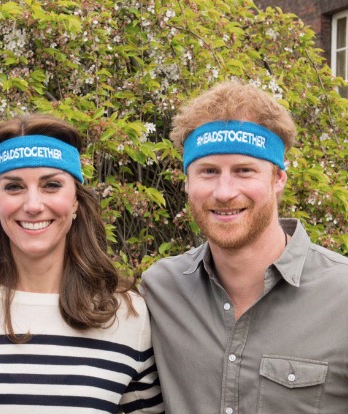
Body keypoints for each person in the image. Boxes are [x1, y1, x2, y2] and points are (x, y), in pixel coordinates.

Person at [0, 113, 164, 413]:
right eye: (14, 187)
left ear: (75, 200)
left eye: (51, 185)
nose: (33, 205)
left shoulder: (126, 315)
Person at [141, 81, 348, 413]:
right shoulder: (160, 291)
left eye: (244, 171)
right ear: (187, 182)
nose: (224, 192)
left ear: (278, 179)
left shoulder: (342, 296)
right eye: (208, 171)